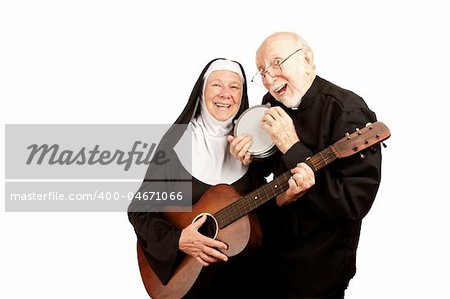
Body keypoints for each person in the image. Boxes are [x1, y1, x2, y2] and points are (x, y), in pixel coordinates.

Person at [128, 58, 311, 298]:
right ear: (202, 91)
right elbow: (140, 210)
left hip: (242, 280)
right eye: (216, 85)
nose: (226, 94)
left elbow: (262, 219)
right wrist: (178, 240)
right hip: (190, 283)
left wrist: (287, 197)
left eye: (234, 87)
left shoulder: (252, 144)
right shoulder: (177, 143)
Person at [229, 32, 382, 298]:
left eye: (277, 63)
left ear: (307, 59)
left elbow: (353, 204)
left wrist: (293, 147)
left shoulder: (349, 112)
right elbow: (269, 170)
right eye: (262, 71)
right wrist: (248, 159)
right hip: (270, 252)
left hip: (317, 267)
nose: (269, 78)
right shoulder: (272, 103)